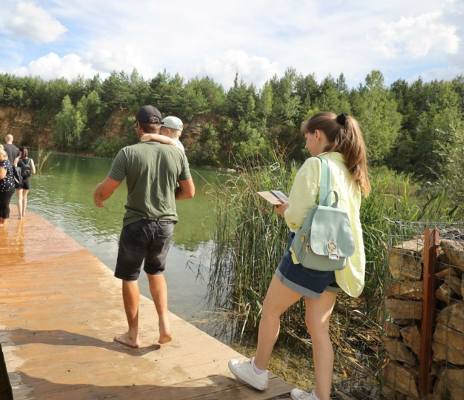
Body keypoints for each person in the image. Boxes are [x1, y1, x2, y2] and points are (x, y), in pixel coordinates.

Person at [227, 112, 369, 400]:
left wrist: (283, 209)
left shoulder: (315, 165)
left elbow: (296, 218)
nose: (305, 142)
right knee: (319, 328)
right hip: (337, 259)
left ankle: (257, 371)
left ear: (318, 135)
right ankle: (320, 396)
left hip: (309, 257)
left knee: (270, 309)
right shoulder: (351, 169)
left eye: (307, 136)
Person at [93, 105, 195, 348]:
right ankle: (164, 325)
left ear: (138, 126)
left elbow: (107, 189)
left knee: (129, 278)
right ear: (159, 127)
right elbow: (189, 192)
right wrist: (168, 199)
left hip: (137, 223)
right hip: (166, 224)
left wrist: (98, 197)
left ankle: (133, 335)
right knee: (156, 272)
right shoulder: (177, 153)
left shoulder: (128, 153)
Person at [16, 147, 36, 219]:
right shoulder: (31, 160)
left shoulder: (18, 160)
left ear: (20, 152)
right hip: (27, 180)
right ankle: (24, 213)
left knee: (19, 198)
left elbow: (14, 169)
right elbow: (34, 171)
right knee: (25, 197)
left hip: (19, 180)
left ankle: (19, 215)